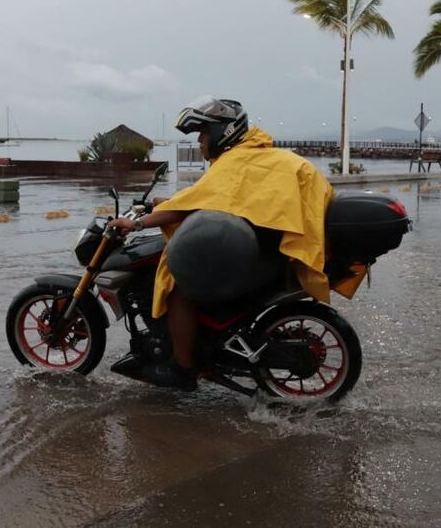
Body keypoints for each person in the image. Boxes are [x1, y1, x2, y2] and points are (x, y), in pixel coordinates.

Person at [108, 96, 361, 390]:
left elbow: (201, 203)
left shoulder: (239, 161)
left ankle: (183, 368)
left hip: (265, 255)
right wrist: (168, 203)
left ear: (221, 132)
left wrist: (135, 223)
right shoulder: (256, 156)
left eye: (203, 133)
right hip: (277, 249)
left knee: (177, 288)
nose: (200, 140)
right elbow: (220, 200)